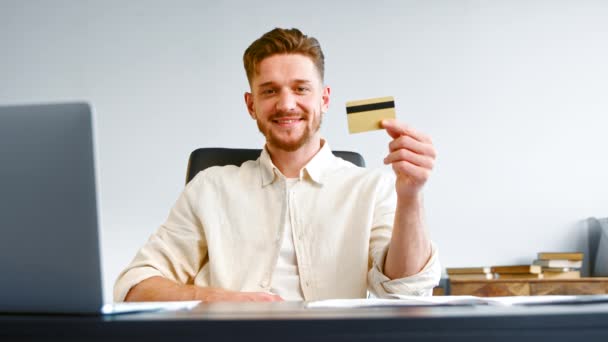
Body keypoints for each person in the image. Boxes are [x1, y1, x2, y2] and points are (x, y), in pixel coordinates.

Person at [114, 27, 440, 303]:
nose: (286, 104)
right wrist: (227, 301)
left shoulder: (372, 188)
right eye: (270, 91)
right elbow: (134, 286)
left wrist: (411, 196)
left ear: (324, 99)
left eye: (301, 89)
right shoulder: (210, 187)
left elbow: (406, 291)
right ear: (251, 104)